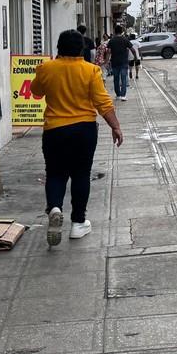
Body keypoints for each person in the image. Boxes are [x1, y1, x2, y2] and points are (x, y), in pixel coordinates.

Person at [30, 30, 123, 246]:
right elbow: (103, 103)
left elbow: (36, 91)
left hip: (54, 130)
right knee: (81, 174)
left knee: (55, 173)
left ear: (58, 47)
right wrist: (115, 127)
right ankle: (78, 224)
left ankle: (54, 207)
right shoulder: (91, 71)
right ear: (81, 49)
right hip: (84, 130)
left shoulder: (46, 69)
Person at [106, 27, 133, 101]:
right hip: (124, 62)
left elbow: (108, 52)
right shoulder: (125, 39)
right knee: (123, 79)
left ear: (114, 31)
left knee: (116, 79)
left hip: (114, 62)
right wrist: (136, 57)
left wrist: (106, 61)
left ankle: (118, 95)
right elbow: (132, 49)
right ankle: (123, 95)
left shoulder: (111, 40)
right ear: (121, 32)